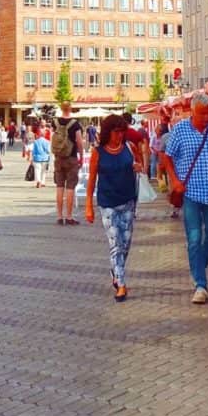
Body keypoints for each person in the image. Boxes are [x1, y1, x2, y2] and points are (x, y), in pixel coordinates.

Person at [163, 92, 208, 305]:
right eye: (202, 113)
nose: (206, 117)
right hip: (191, 194)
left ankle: (197, 267)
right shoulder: (180, 130)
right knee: (194, 238)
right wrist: (174, 180)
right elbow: (166, 157)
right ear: (192, 111)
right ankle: (201, 285)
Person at [85, 114, 142, 302]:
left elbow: (139, 162)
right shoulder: (98, 152)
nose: (119, 136)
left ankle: (115, 271)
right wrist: (89, 206)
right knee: (115, 243)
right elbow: (92, 179)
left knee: (125, 244)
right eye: (116, 132)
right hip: (107, 203)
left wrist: (137, 166)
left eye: (121, 132)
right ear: (108, 132)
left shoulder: (128, 147)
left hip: (128, 201)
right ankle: (121, 283)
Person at [52, 103, 85, 225]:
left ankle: (60, 216)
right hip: (71, 158)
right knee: (70, 188)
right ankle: (69, 216)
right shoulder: (75, 124)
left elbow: (54, 138)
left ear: (61, 108)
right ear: (70, 109)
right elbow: (79, 142)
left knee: (59, 187)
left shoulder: (55, 122)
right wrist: (81, 156)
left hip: (58, 158)